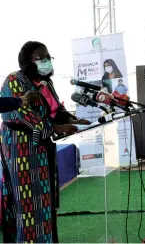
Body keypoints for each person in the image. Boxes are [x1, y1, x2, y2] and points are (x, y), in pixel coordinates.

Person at [1, 41, 90, 243]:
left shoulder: (45, 82)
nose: (47, 61)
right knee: (27, 203)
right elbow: (23, 114)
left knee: (45, 200)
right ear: (27, 61)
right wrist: (56, 128)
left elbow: (56, 109)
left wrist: (72, 121)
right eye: (41, 58)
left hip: (42, 147)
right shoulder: (14, 80)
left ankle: (47, 239)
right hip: (20, 147)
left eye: (48, 57)